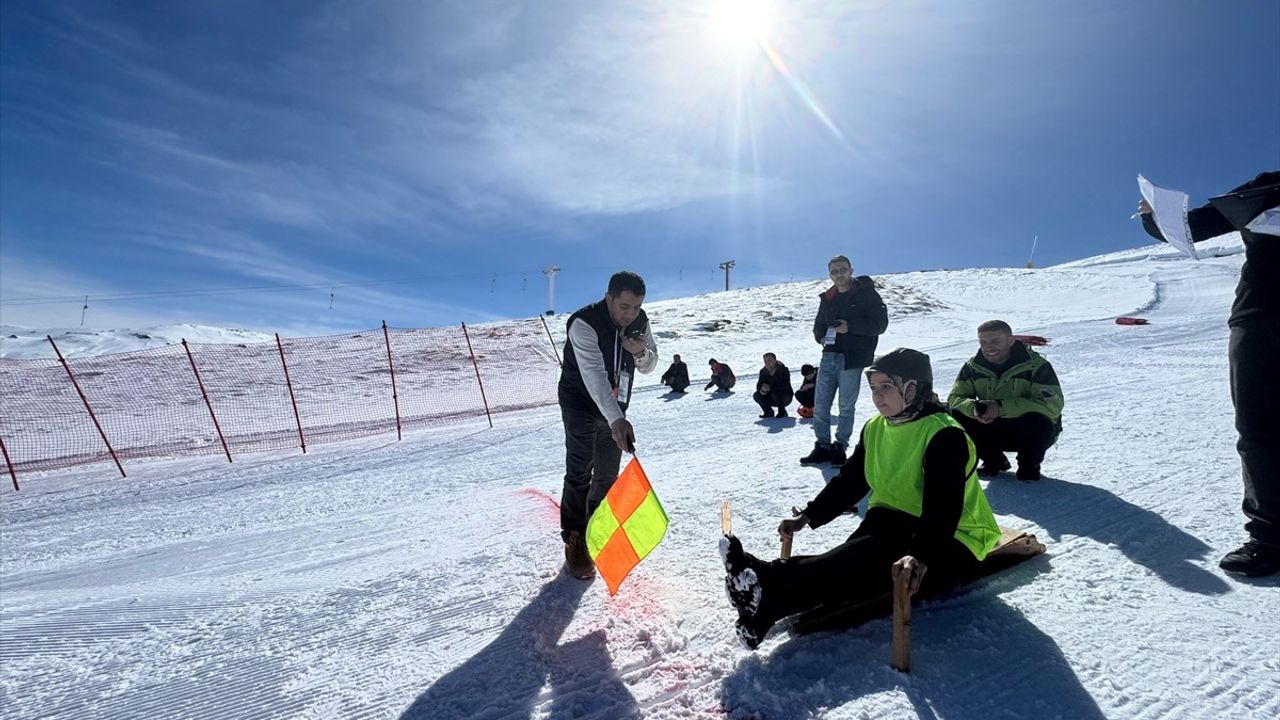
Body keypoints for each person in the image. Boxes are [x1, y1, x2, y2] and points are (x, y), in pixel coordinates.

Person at [721, 348, 1002, 649]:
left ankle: (767, 584)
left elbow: (943, 509)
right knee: (850, 562)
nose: (877, 396)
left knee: (863, 564)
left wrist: (921, 556)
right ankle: (767, 604)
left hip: (952, 539)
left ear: (913, 388)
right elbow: (852, 480)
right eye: (873, 388)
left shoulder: (944, 435)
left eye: (886, 387)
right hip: (893, 520)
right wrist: (808, 515)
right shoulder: (876, 427)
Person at [1137, 171, 1280, 577]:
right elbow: (1192, 227)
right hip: (1260, 318)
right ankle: (1270, 539)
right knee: (1260, 430)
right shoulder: (1268, 186)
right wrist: (1153, 215)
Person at [558, 270, 658, 579]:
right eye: (624, 306)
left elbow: (651, 364)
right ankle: (575, 538)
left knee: (607, 473)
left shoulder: (640, 323)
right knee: (580, 469)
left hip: (616, 407)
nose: (631, 314)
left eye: (636, 307)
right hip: (581, 402)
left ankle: (595, 531)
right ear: (609, 298)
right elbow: (594, 376)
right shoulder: (584, 323)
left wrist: (639, 351)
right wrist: (616, 419)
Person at [947, 320, 1064, 482]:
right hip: (992, 426)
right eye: (983, 342)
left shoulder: (1036, 366)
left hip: (1030, 432)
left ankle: (1029, 465)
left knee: (1036, 419)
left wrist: (1000, 408)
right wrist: (975, 408)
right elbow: (955, 398)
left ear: (1010, 341)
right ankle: (993, 460)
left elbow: (1052, 406)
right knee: (956, 413)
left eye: (995, 341)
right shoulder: (973, 367)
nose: (989, 347)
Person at [801, 255, 889, 466]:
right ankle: (822, 446)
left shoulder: (866, 294)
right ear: (830, 274)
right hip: (829, 356)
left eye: (842, 269)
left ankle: (840, 447)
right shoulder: (828, 298)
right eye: (834, 271)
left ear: (851, 270)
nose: (839, 274)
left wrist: (850, 327)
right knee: (820, 405)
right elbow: (819, 325)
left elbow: (880, 324)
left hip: (852, 358)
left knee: (845, 406)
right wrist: (821, 337)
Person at [753, 352, 794, 418]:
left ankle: (782, 412)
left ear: (775, 360)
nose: (767, 363)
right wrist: (761, 390)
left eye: (769, 360)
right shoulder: (763, 371)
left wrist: (770, 388)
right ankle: (768, 412)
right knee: (756, 395)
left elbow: (785, 384)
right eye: (765, 361)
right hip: (770, 397)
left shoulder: (783, 370)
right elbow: (759, 384)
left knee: (776, 393)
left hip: (785, 397)